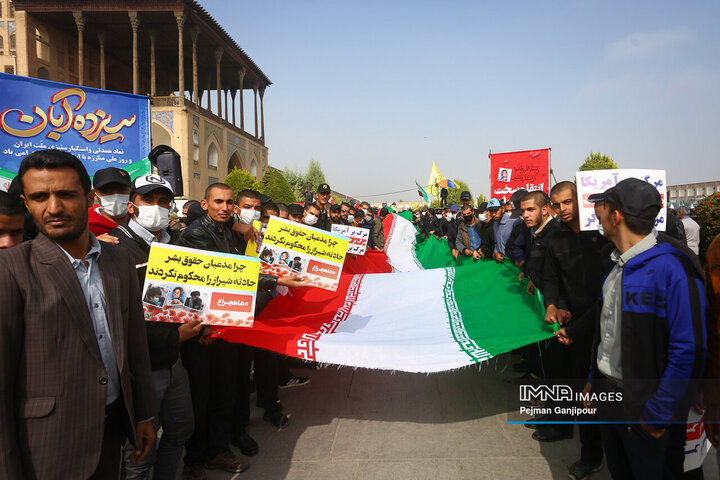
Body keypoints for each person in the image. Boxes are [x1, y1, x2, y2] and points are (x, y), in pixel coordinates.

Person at [0, 149, 155, 479]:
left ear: (89, 197)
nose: (53, 208)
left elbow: (134, 344)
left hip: (112, 429)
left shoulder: (119, 262)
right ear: (27, 204)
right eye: (40, 197)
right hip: (46, 447)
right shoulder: (11, 269)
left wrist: (143, 414)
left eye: (66, 195)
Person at [580, 178, 706, 479]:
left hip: (648, 411)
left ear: (617, 215)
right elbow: (606, 332)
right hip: (611, 401)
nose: (598, 212)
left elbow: (690, 349)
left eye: (603, 206)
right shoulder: (614, 266)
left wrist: (658, 414)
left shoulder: (673, 268)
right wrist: (593, 379)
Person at [109, 174, 201, 480]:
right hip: (139, 370)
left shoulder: (176, 243)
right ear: (132, 205)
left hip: (175, 362)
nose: (156, 208)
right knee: (139, 452)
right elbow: (115, 317)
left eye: (163, 202)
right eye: (148, 200)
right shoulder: (114, 246)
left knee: (179, 432)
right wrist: (174, 337)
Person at [534, 181, 607, 480]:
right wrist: (553, 304)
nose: (562, 209)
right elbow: (551, 278)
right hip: (574, 327)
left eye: (568, 202)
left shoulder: (603, 235)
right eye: (556, 203)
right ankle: (590, 454)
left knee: (607, 393)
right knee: (583, 392)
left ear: (580, 201)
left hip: (607, 322)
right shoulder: (555, 238)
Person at [89, 166, 132, 236]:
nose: (115, 196)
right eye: (106, 191)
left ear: (131, 191)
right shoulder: (84, 227)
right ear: (95, 196)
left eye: (122, 190)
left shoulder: (143, 222)